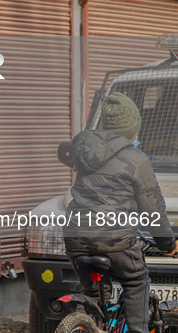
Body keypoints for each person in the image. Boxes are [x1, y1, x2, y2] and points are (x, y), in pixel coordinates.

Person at [64, 92, 178, 333]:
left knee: (92, 295)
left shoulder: (83, 151)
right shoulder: (136, 159)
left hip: (76, 239)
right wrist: (168, 244)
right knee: (136, 281)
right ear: (132, 129)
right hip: (115, 241)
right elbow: (153, 209)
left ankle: (88, 323)